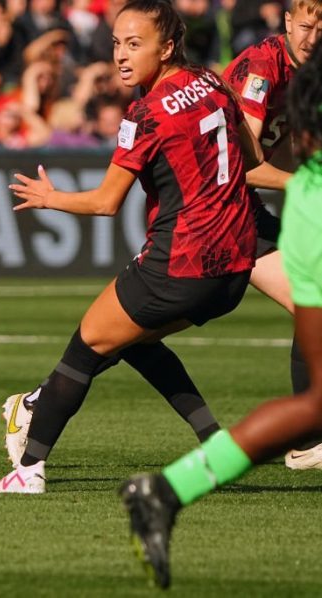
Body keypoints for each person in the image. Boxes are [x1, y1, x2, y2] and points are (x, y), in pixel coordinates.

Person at [0, 0, 266, 493]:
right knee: (134, 340)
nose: (120, 54)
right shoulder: (212, 81)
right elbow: (253, 156)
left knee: (85, 346)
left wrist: (51, 198)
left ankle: (28, 469)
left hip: (180, 263)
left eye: (134, 44)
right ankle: (215, 443)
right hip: (236, 266)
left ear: (167, 47)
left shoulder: (146, 112)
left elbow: (105, 202)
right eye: (117, 43)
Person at [120, 39, 322, 589]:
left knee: (315, 405)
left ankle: (169, 490)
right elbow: (255, 160)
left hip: (296, 211)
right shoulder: (257, 71)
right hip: (274, 216)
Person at [221, 0, 322, 469]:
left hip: (240, 208)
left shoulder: (308, 70)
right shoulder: (262, 68)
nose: (313, 37)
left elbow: (287, 151)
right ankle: (308, 440)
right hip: (210, 210)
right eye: (305, 26)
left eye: (321, 28)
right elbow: (242, 166)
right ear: (286, 22)